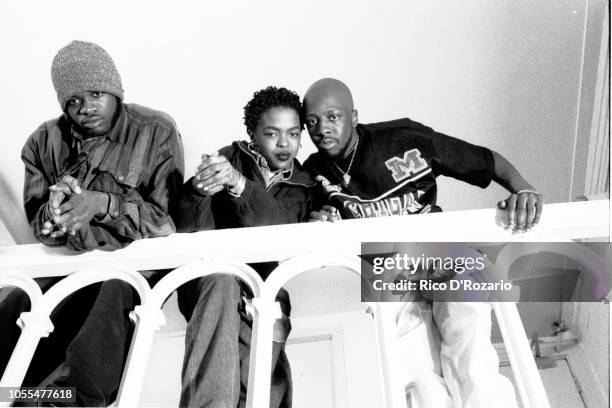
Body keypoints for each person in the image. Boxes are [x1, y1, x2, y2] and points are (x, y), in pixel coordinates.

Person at [304, 78, 543, 408]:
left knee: (471, 360)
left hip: (445, 258)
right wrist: (317, 224)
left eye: (333, 116)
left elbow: (487, 162)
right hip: (393, 282)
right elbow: (305, 230)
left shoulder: (404, 137)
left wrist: (524, 190)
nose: (322, 128)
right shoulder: (312, 173)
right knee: (419, 385)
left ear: (354, 116)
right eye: (312, 122)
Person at [0, 40, 184, 406]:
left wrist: (102, 204)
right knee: (9, 331)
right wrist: (54, 212)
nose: (85, 109)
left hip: (128, 274)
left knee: (85, 370)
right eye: (73, 101)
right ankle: (23, 398)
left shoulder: (156, 130)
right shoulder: (43, 141)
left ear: (115, 90)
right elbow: (41, 230)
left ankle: (65, 401)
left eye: (96, 93)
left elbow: (164, 224)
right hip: (65, 272)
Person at [174, 86, 318, 407]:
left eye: (293, 134)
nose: (284, 143)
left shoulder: (305, 183)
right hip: (215, 281)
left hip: (264, 292)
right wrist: (198, 190)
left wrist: (238, 184)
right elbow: (188, 227)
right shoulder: (230, 156)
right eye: (272, 133)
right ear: (252, 133)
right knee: (221, 285)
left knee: (261, 382)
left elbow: (277, 224)